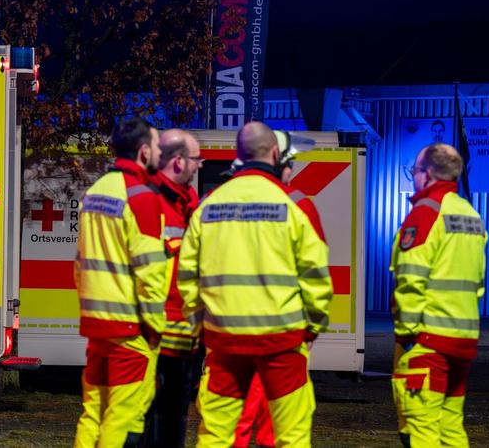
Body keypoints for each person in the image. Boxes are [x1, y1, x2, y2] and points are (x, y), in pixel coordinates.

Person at [177, 122, 332, 448]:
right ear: (275, 154)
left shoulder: (208, 205)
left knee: (218, 434)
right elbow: (316, 279)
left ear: (238, 155)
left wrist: (200, 328)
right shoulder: (295, 206)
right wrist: (311, 328)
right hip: (283, 343)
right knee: (290, 435)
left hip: (224, 343)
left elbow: (187, 277)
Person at [73, 117, 168, 448]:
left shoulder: (95, 192)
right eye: (157, 147)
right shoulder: (142, 197)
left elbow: (81, 261)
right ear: (144, 152)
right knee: (121, 418)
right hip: (131, 329)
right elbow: (151, 270)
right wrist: (157, 328)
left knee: (93, 413)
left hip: (97, 325)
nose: (160, 153)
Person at [391, 144, 487, 448]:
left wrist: (407, 335)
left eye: (415, 171)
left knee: (423, 430)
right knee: (451, 427)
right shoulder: (470, 215)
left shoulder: (426, 213)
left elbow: (410, 279)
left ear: (428, 174)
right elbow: (479, 282)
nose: (413, 177)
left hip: (427, 341)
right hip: (463, 339)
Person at [143, 129, 202, 448]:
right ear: (178, 161)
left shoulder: (189, 202)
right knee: (145, 419)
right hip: (150, 333)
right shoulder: (147, 200)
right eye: (196, 159)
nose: (200, 165)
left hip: (183, 333)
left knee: (175, 417)